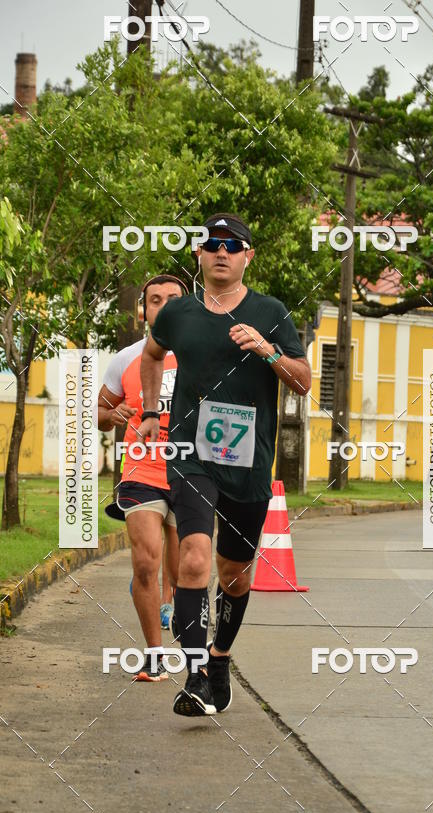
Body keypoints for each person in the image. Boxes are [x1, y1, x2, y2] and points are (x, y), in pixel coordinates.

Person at [139, 214, 311, 715]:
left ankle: (219, 661)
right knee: (193, 555)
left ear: (247, 256)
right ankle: (194, 676)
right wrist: (152, 411)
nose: (221, 251)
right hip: (191, 452)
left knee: (234, 575)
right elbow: (152, 357)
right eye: (211, 244)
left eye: (232, 245)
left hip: (249, 463)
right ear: (198, 253)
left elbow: (301, 380)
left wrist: (268, 350)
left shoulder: (271, 311)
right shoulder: (177, 314)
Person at [97, 274, 187, 682]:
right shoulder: (126, 358)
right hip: (141, 468)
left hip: (191, 471)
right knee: (145, 560)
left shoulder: (202, 354)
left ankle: (170, 604)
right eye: (155, 300)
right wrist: (111, 415)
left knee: (185, 567)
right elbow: (97, 411)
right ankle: (155, 655)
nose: (164, 306)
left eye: (173, 299)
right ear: (144, 311)